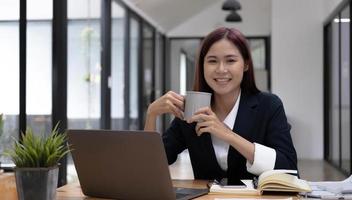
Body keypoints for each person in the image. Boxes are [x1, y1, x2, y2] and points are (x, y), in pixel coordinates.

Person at [144, 27, 297, 182]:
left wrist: (228, 135)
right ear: (202, 66)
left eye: (230, 60)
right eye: (212, 61)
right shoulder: (192, 109)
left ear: (246, 65)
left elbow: (289, 169)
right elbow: (150, 166)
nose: (221, 69)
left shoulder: (269, 105)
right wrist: (151, 114)